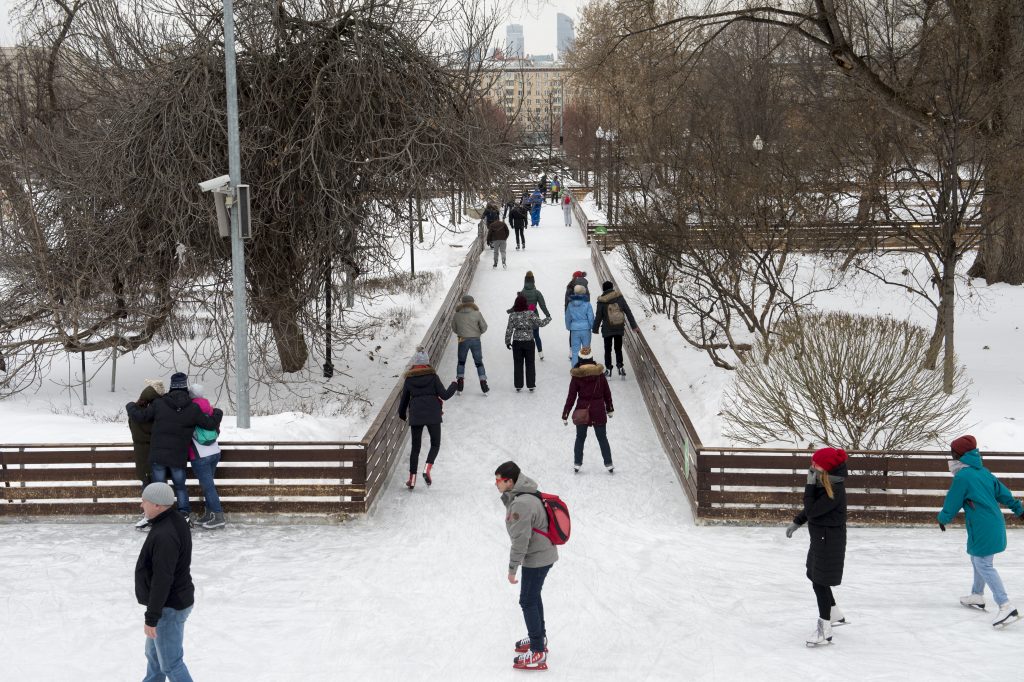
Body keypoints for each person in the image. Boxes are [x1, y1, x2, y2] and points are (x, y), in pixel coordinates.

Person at [938, 434, 1023, 627]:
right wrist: (1019, 510)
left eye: (952, 452)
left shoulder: (963, 476)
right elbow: (1005, 494)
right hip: (992, 524)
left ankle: (1005, 605)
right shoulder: (984, 472)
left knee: (983, 564)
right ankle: (977, 595)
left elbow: (953, 501)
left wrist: (943, 518)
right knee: (978, 559)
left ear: (959, 454)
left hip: (984, 527)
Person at [126, 372, 223, 526]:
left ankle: (160, 516)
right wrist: (218, 412)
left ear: (171, 387)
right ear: (185, 386)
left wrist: (130, 406)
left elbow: (141, 416)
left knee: (159, 488)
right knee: (180, 486)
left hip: (158, 456)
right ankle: (184, 513)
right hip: (178, 457)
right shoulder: (192, 408)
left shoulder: (159, 403)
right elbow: (210, 424)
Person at [494, 461, 557, 671]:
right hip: (542, 554)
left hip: (536, 558)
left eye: (499, 480)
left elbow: (520, 540)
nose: (496, 484)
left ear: (510, 481)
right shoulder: (526, 493)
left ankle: (538, 651)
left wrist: (512, 569)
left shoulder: (521, 503)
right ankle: (539, 638)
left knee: (527, 600)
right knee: (533, 596)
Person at [785, 447, 849, 647]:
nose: (811, 467)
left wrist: (809, 486)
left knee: (819, 582)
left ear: (827, 468)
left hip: (829, 542)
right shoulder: (826, 483)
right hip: (821, 539)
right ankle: (833, 612)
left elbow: (812, 509)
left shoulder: (835, 490)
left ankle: (824, 630)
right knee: (813, 575)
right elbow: (812, 509)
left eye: (815, 464)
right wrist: (797, 521)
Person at [135, 482, 195, 682]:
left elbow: (163, 579)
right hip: (168, 603)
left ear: (158, 505)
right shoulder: (173, 520)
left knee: (170, 663)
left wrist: (152, 616)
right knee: (153, 656)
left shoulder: (165, 534)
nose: (141, 505)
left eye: (145, 502)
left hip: (169, 606)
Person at [397, 348, 459, 489]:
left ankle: (412, 479)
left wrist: (402, 414)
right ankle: (427, 469)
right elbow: (444, 395)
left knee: (415, 448)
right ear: (427, 362)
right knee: (435, 444)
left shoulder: (409, 379)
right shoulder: (433, 377)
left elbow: (404, 401)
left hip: (416, 415)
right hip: (433, 414)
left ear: (414, 363)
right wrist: (454, 385)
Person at [560, 347, 614, 473]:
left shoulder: (577, 376)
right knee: (602, 438)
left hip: (582, 409)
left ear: (579, 359)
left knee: (580, 437)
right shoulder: (600, 375)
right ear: (591, 358)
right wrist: (609, 408)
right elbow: (607, 393)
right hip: (599, 409)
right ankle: (609, 463)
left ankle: (577, 463)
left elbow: (571, 396)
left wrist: (565, 413)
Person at [188, 384, 226, 530]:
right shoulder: (209, 407)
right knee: (208, 485)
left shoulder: (190, 410)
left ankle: (218, 516)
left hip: (200, 453)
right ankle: (209, 513)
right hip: (214, 451)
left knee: (208, 487)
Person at [128, 379, 165, 530]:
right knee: (158, 484)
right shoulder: (155, 412)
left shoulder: (134, 411)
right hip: (155, 451)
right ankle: (157, 515)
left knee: (147, 483)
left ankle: (148, 515)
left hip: (141, 453)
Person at [505, 293, 552, 392]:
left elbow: (509, 329)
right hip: (529, 342)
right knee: (530, 363)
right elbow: (541, 323)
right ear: (525, 303)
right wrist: (548, 318)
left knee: (518, 364)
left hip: (517, 342)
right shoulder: (530, 313)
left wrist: (507, 341)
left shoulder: (513, 315)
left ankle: (518, 385)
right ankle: (531, 385)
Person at [592, 281, 639, 378]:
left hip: (607, 329)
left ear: (604, 289)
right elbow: (628, 312)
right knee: (618, 348)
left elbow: (598, 317)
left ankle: (608, 369)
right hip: (619, 327)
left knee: (607, 349)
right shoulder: (619, 298)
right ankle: (620, 366)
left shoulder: (601, 301)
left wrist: (595, 329)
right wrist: (634, 326)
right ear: (612, 288)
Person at [451, 294, 489, 394]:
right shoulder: (477, 313)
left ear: (462, 303)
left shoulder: (457, 314)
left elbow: (454, 328)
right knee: (479, 362)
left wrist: (461, 333)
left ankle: (460, 382)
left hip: (462, 339)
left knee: (461, 362)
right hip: (475, 340)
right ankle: (483, 383)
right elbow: (484, 327)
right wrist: (478, 333)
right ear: (472, 303)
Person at [520, 271, 551, 360]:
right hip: (534, 316)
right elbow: (542, 305)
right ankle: (540, 353)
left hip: (524, 317)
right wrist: (547, 314)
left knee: (525, 337)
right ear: (533, 281)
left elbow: (517, 306)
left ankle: (526, 354)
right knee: (536, 335)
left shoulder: (522, 293)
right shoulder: (537, 292)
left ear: (525, 281)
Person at [564, 284, 594, 367]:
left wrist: (569, 327)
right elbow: (591, 317)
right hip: (585, 329)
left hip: (574, 329)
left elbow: (567, 317)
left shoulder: (570, 304)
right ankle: (586, 368)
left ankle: (575, 370)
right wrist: (591, 326)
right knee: (586, 350)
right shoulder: (587, 304)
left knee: (575, 351)